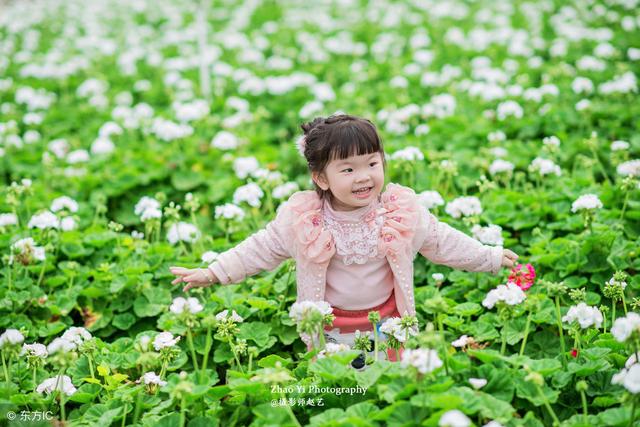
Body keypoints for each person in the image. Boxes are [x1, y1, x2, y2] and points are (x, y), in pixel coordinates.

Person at [170, 113, 519, 366]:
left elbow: (443, 241)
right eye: (348, 169)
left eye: (372, 163)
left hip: (389, 321)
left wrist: (488, 257)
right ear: (321, 178)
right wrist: (213, 272)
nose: (364, 177)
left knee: (387, 380)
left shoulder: (399, 212)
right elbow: (260, 248)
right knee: (340, 385)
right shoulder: (304, 220)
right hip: (330, 325)